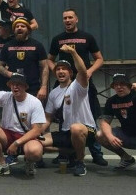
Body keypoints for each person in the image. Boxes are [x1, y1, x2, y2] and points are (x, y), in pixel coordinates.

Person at [47, 8, 107, 166]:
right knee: (63, 115)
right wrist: (56, 70)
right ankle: (65, 153)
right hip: (64, 82)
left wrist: (89, 71)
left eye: (70, 17)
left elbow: (99, 59)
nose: (67, 20)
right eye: (65, 18)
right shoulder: (58, 39)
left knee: (90, 114)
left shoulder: (87, 37)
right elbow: (50, 59)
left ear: (76, 19)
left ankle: (96, 152)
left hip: (82, 82)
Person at [41, 46, 97, 176]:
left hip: (86, 130)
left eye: (64, 69)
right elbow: (48, 117)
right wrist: (36, 133)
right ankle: (71, 151)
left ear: (70, 73)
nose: (60, 71)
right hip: (66, 132)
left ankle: (80, 162)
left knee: (76, 128)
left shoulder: (78, 86)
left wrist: (73, 52)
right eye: (58, 69)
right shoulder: (53, 93)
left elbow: (82, 71)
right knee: (38, 142)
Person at [0, 18, 48, 101]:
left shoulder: (37, 45)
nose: (19, 28)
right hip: (14, 88)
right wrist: (9, 73)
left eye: (23, 26)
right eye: (17, 26)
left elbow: (44, 67)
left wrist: (43, 87)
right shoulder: (7, 46)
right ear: (14, 30)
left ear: (28, 30)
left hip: (33, 88)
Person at [97, 74, 136, 170]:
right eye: (116, 85)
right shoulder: (112, 101)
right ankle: (126, 158)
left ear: (129, 85)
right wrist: (110, 137)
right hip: (127, 135)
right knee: (100, 135)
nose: (119, 87)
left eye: (122, 84)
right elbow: (104, 122)